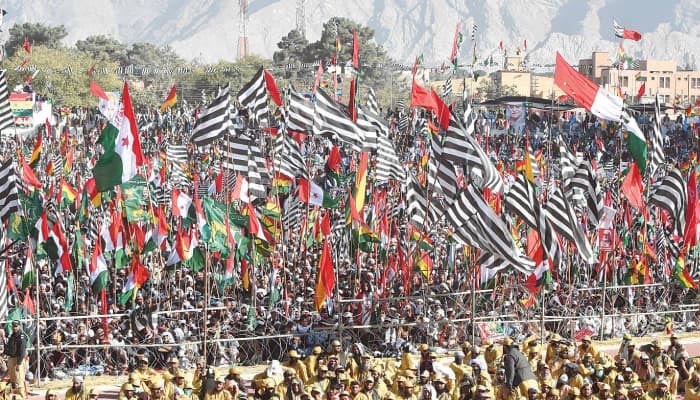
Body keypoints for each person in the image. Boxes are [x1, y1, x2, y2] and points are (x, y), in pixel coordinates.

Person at [5, 321, 26, 395]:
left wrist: (19, 363)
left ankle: (21, 396)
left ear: (19, 326)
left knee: (19, 380)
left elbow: (22, 351)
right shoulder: (12, 335)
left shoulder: (21, 336)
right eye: (13, 326)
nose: (14, 328)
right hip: (11, 358)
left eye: (16, 326)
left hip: (17, 360)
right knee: (12, 380)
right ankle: (15, 396)